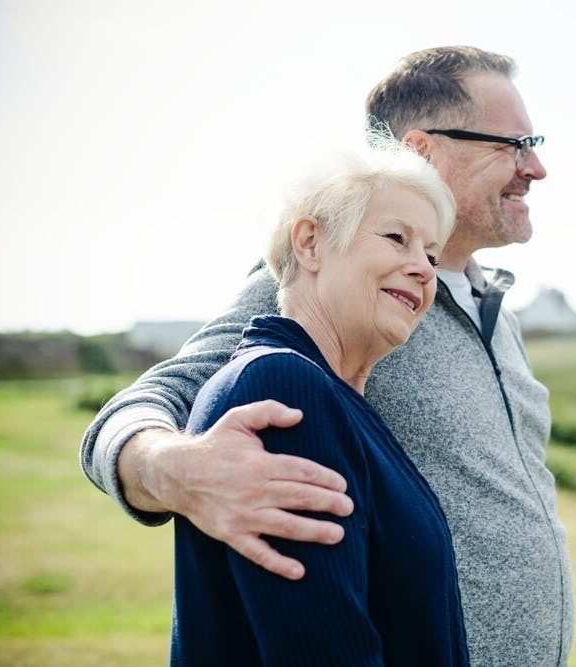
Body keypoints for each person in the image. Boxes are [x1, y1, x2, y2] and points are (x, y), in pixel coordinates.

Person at [81, 46, 573, 666]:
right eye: (515, 143)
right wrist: (171, 469)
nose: (537, 167)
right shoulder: (331, 277)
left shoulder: (493, 308)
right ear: (421, 150)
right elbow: (157, 398)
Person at [171, 140, 468, 665]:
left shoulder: (339, 402)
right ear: (310, 244)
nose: (423, 269)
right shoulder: (284, 387)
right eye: (397, 238)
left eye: (430, 253)